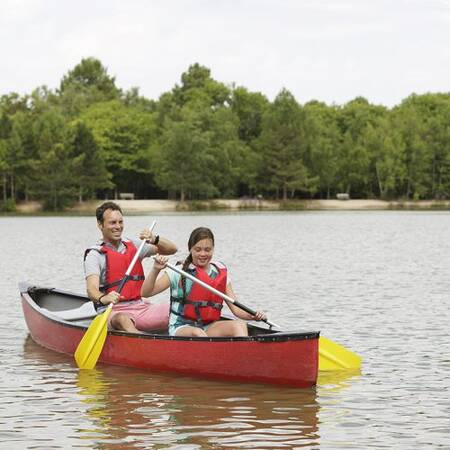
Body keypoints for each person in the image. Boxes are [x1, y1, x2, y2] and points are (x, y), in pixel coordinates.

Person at [141, 226, 266, 337]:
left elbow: (236, 309)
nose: (203, 254)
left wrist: (253, 316)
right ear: (190, 249)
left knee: (239, 325)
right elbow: (146, 292)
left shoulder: (219, 273)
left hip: (209, 326)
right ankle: (210, 360)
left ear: (213, 249)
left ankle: (241, 358)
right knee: (198, 333)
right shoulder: (178, 271)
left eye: (207, 249)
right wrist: (156, 269)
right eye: (198, 249)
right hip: (181, 327)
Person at [84, 201, 178, 333]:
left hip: (140, 307)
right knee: (122, 319)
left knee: (176, 309)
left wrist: (154, 239)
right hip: (112, 311)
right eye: (112, 222)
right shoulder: (95, 255)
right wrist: (103, 298)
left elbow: (172, 249)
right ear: (100, 225)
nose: (118, 226)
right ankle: (142, 341)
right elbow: (91, 289)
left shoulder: (134, 245)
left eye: (120, 222)